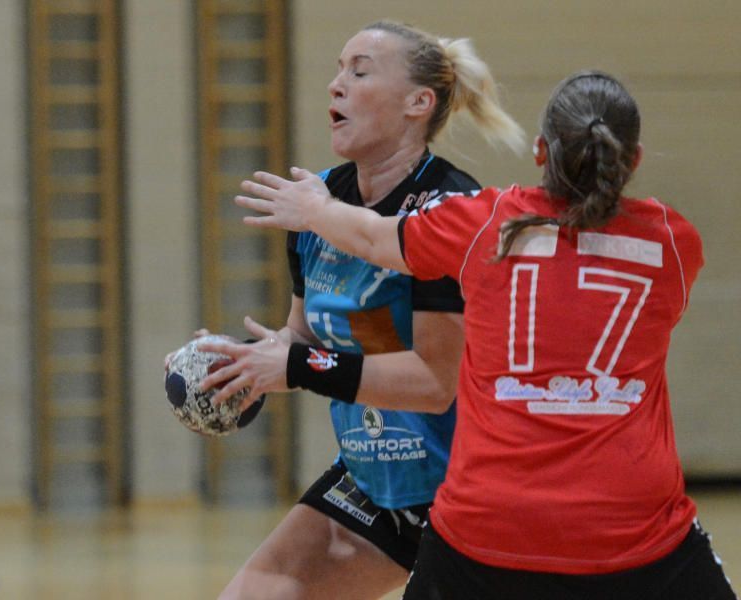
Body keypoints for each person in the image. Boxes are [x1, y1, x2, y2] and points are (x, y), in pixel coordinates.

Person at [232, 71, 737, 599]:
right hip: (632, 529)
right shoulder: (674, 241)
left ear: (541, 151)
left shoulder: (485, 221)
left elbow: (372, 237)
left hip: (486, 527)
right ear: (633, 159)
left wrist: (316, 209)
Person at [194, 20, 524, 600]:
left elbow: (434, 383)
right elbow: (307, 337)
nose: (335, 85)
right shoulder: (317, 202)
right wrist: (249, 363)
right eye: (338, 69)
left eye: (360, 71)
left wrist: (295, 368)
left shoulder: (448, 211)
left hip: (471, 495)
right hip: (376, 480)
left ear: (418, 103)